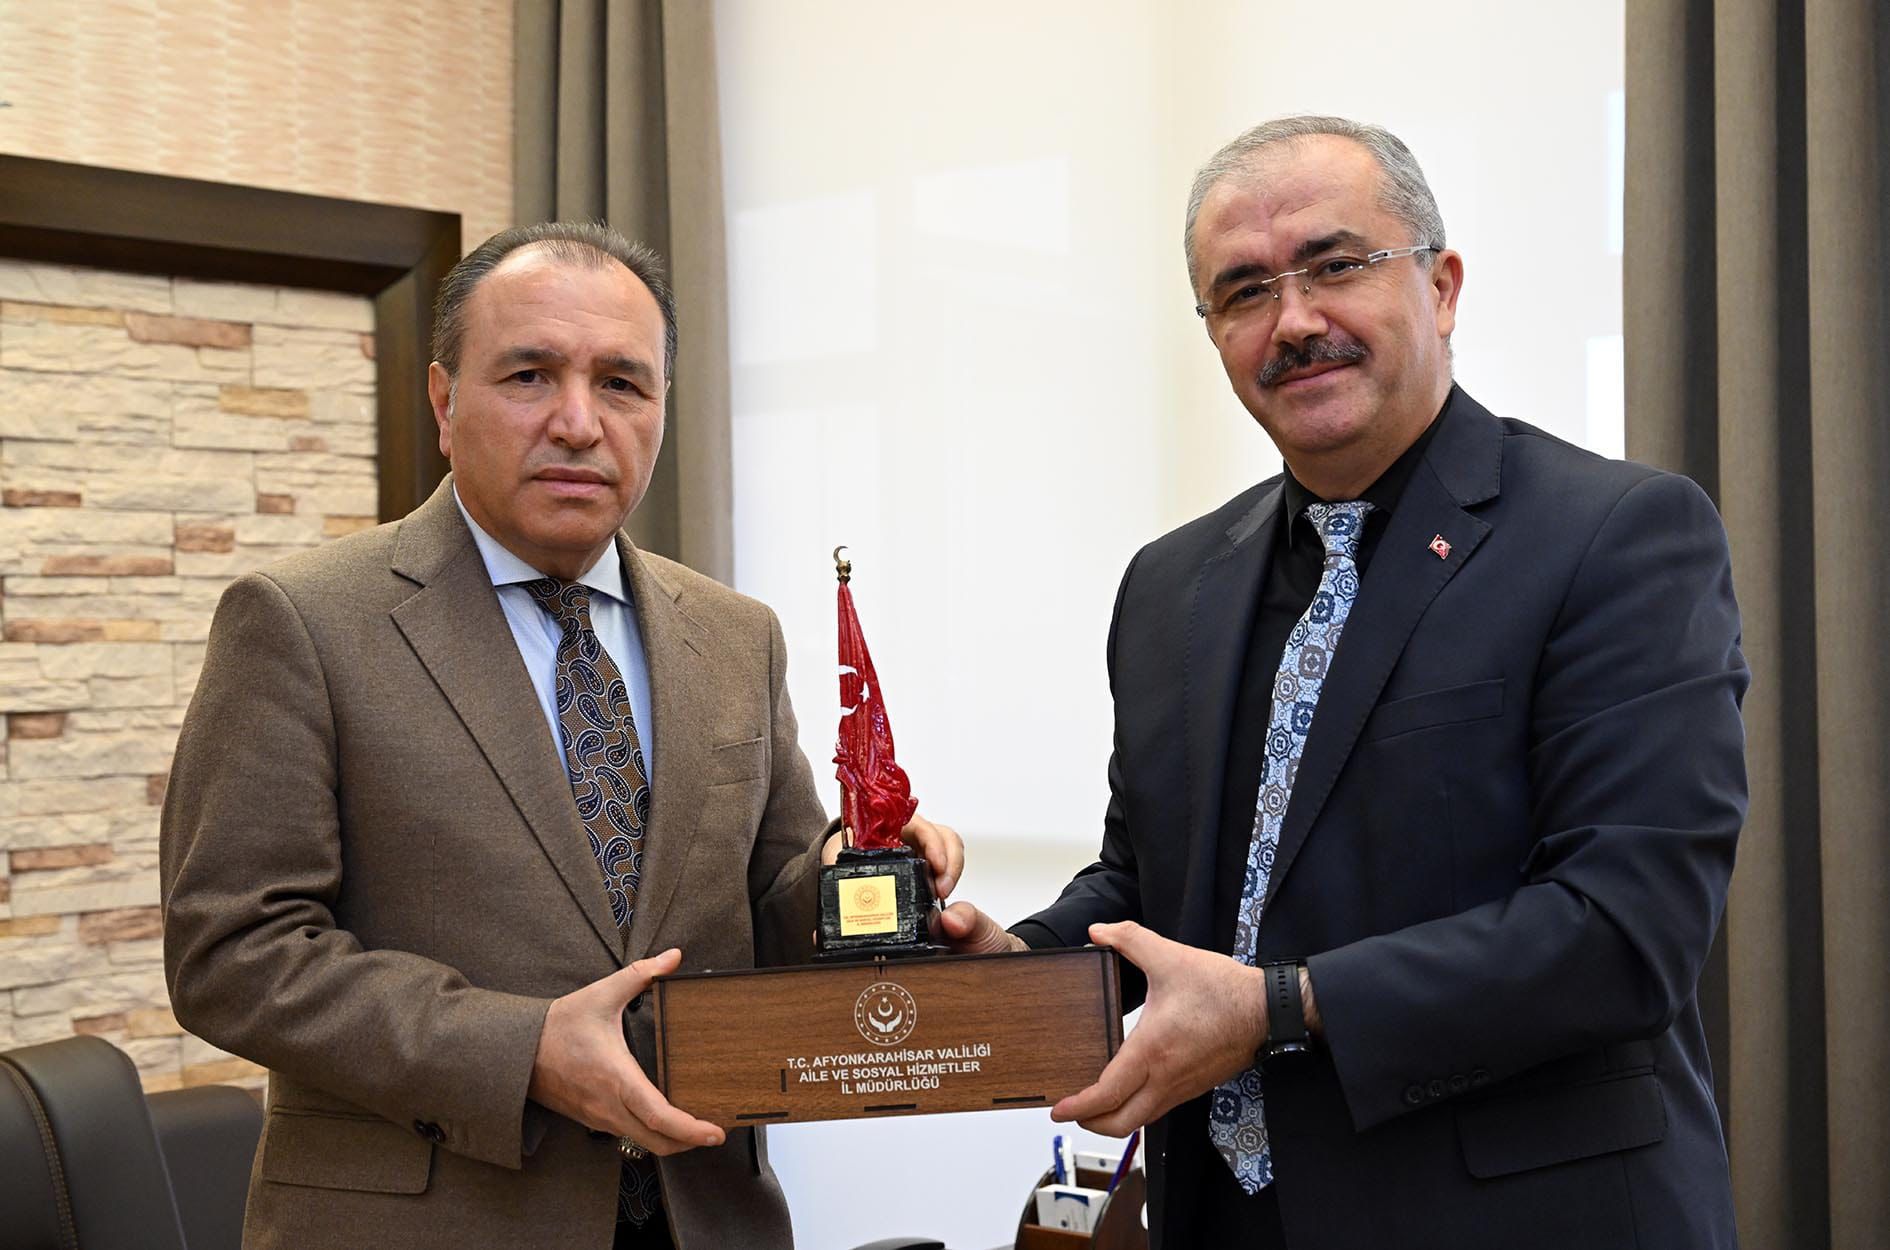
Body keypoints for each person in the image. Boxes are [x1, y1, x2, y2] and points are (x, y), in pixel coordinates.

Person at [941, 115, 1746, 1248]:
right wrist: (1012, 970)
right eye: (1244, 291)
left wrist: (1278, 1007)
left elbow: (1625, 929)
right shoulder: (1170, 585)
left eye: (1335, 265)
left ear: (1442, 287)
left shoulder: (1617, 537)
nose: (1295, 321)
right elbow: (1153, 878)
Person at [159, 221, 962, 1250]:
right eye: (530, 375)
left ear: (661, 408)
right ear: (446, 401)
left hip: (705, 1214)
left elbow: (767, 904)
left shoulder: (736, 634)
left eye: (622, 383)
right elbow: (232, 952)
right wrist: (522, 1049)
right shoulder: (303, 622)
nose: (580, 423)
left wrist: (863, 872)